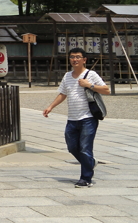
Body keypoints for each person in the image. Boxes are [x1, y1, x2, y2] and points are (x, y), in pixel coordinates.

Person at [43, 47, 111, 188]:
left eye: (78, 57)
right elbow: (63, 93)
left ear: (84, 60)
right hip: (72, 119)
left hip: (88, 118)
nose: (75, 59)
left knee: (85, 148)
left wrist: (90, 85)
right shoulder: (67, 76)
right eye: (72, 57)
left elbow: (106, 90)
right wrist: (50, 107)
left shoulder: (91, 74)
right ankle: (90, 163)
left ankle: (86, 178)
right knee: (72, 147)